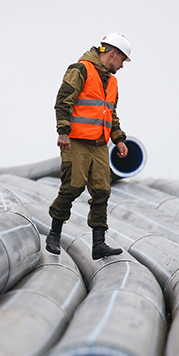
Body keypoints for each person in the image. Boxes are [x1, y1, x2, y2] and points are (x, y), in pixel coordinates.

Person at [45, 32, 132, 260]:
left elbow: (110, 113)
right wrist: (63, 132)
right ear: (112, 53)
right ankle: (54, 235)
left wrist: (119, 139)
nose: (122, 66)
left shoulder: (112, 82)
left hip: (100, 144)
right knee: (73, 187)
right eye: (122, 60)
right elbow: (63, 101)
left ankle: (99, 244)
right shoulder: (80, 70)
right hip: (76, 141)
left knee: (102, 190)